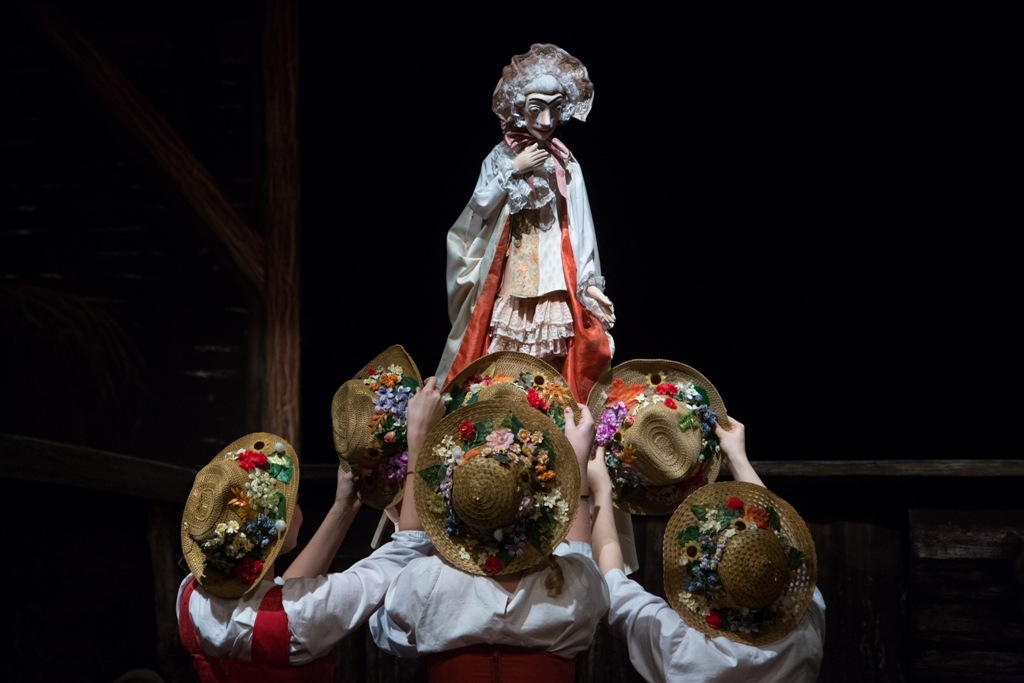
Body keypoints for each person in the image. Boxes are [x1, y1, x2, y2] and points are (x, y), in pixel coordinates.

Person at [370, 380, 610, 681]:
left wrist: (416, 450)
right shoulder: (574, 587)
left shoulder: (425, 584)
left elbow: (386, 632)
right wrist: (577, 471)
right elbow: (581, 555)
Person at [176, 430, 433, 681]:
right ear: (275, 528)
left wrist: (343, 507)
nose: (297, 506)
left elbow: (276, 601)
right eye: (295, 501)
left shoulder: (190, 595)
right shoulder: (302, 615)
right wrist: (418, 441)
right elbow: (407, 550)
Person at [436, 43, 614, 403]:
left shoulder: (565, 162)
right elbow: (479, 206)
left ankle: (546, 417)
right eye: (536, 109)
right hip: (513, 271)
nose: (546, 121)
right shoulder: (502, 156)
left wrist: (589, 281)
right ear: (520, 108)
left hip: (555, 273)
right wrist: (514, 169)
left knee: (552, 353)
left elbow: (580, 226)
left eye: (554, 109)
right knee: (507, 351)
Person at [589, 416, 827, 683]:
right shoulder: (806, 629)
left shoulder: (686, 651)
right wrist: (737, 458)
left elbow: (613, 586)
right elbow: (783, 539)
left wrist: (601, 491)